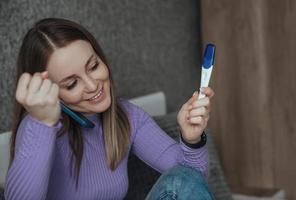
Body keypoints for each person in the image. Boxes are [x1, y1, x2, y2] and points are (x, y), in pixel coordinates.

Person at [4, 18, 215, 200]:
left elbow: (192, 183)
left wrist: (191, 139)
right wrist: (41, 123)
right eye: (71, 84)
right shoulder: (37, 128)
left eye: (93, 66)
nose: (92, 85)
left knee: (181, 180)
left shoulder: (127, 116)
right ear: (51, 93)